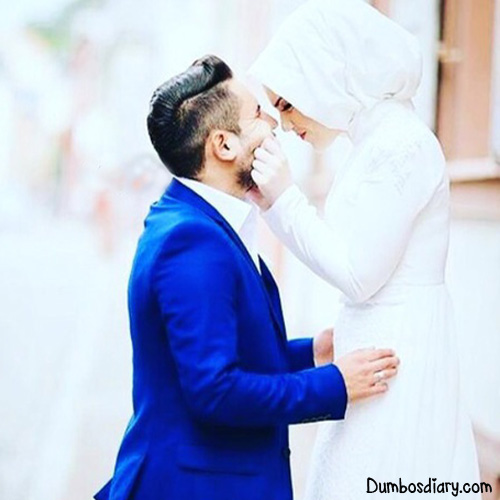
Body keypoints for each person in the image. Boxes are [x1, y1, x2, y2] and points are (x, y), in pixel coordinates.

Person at [93, 55, 399, 500]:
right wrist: (335, 384)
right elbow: (215, 391)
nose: (273, 124)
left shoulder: (194, 221)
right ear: (223, 145)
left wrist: (310, 352)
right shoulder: (191, 241)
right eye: (257, 113)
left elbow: (218, 356)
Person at [249, 0, 481, 498]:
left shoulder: (403, 145)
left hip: (400, 350)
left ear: (325, 74)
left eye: (287, 104)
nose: (284, 124)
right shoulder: (373, 142)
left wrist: (285, 201)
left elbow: (358, 275)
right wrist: (277, 205)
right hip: (374, 344)